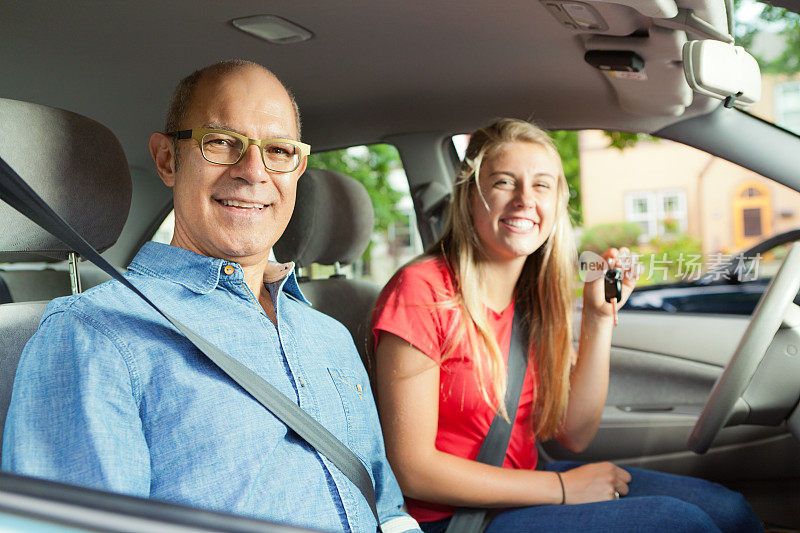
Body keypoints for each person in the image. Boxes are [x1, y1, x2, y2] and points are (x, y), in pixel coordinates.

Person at [3, 60, 419, 533]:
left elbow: (386, 508)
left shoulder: (331, 337)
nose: (253, 172)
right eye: (221, 142)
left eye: (278, 151)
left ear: (297, 169)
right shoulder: (95, 334)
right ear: (166, 159)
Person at [371, 118, 762, 532]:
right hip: (457, 519)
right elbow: (411, 468)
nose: (525, 199)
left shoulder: (534, 296)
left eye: (542, 185)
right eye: (504, 182)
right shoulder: (420, 291)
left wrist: (598, 317)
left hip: (526, 491)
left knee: (729, 509)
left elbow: (576, 434)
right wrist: (560, 487)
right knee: (681, 524)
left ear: (558, 202)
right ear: (471, 196)